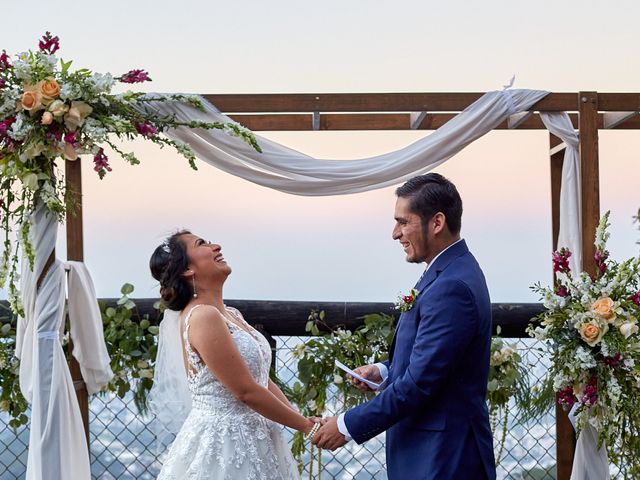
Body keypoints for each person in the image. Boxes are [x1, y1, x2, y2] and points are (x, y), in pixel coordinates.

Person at [312, 173, 497, 480]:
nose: (395, 233)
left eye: (403, 222)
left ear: (436, 223)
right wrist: (384, 371)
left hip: (444, 457)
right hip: (430, 451)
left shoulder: (452, 286)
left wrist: (346, 426)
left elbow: (420, 384)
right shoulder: (448, 270)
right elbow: (436, 361)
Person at [149, 231, 319, 479]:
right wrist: (307, 428)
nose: (216, 246)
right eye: (202, 244)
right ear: (187, 269)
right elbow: (246, 391)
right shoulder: (203, 316)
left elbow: (262, 381)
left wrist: (303, 419)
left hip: (257, 436)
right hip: (224, 443)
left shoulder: (231, 314)